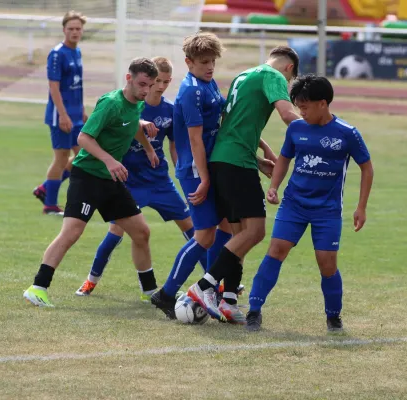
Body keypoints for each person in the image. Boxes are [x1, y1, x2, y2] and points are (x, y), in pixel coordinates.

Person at [23, 58, 160, 307]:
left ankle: (150, 291)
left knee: (141, 232)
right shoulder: (111, 103)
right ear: (128, 79)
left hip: (111, 179)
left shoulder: (137, 103)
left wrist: (148, 147)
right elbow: (84, 137)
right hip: (87, 176)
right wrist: (109, 160)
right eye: (142, 84)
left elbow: (132, 123)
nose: (146, 90)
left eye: (150, 85)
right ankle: (37, 287)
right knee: (72, 232)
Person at [245, 75, 374, 333]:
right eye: (298, 107)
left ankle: (333, 316)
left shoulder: (347, 133)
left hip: (327, 210)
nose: (300, 112)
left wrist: (361, 207)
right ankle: (254, 311)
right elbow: (284, 159)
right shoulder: (296, 129)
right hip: (294, 204)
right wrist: (273, 187)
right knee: (276, 250)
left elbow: (367, 168)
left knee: (326, 262)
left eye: (305, 107)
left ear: (323, 104)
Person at [74, 57, 206, 302]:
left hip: (160, 182)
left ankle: (212, 279)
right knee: (116, 231)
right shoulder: (134, 102)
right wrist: (143, 132)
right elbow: (129, 121)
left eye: (166, 82)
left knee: (192, 228)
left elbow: (175, 148)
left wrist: (183, 174)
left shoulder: (170, 110)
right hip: (131, 181)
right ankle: (91, 280)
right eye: (157, 81)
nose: (160, 86)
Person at [186, 46, 301, 324]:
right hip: (237, 163)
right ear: (288, 70)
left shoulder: (243, 75)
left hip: (226, 160)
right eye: (290, 83)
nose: (286, 87)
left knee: (240, 234)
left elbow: (233, 124)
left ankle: (227, 300)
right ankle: (202, 288)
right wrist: (322, 133)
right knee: (255, 232)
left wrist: (259, 159)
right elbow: (287, 115)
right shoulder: (273, 76)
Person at [149, 32, 235, 320]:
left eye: (213, 61)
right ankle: (166, 293)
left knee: (226, 228)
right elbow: (195, 140)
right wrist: (206, 178)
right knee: (205, 236)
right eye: (203, 62)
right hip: (196, 171)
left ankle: (212, 287)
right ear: (188, 62)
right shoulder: (190, 91)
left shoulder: (209, 84)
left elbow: (222, 125)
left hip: (211, 167)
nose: (210, 66)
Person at [33, 11, 88, 215]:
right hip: (60, 115)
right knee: (61, 158)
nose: (74, 32)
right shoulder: (57, 53)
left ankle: (46, 188)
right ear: (64, 30)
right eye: (70, 29)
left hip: (75, 114)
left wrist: (81, 110)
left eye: (78, 28)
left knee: (84, 153)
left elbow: (78, 85)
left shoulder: (77, 52)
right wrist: (63, 115)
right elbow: (54, 88)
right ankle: (50, 205)